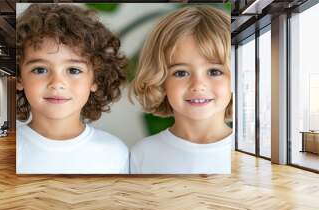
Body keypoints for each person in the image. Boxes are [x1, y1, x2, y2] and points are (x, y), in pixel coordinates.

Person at [16, 3, 129, 174]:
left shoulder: (115, 153)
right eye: (40, 69)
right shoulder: (3, 150)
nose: (57, 83)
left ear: (95, 79)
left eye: (73, 70)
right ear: (18, 78)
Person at [129, 6, 233, 174]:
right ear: (160, 80)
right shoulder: (142, 155)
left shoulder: (257, 157)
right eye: (181, 72)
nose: (198, 84)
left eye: (214, 71)